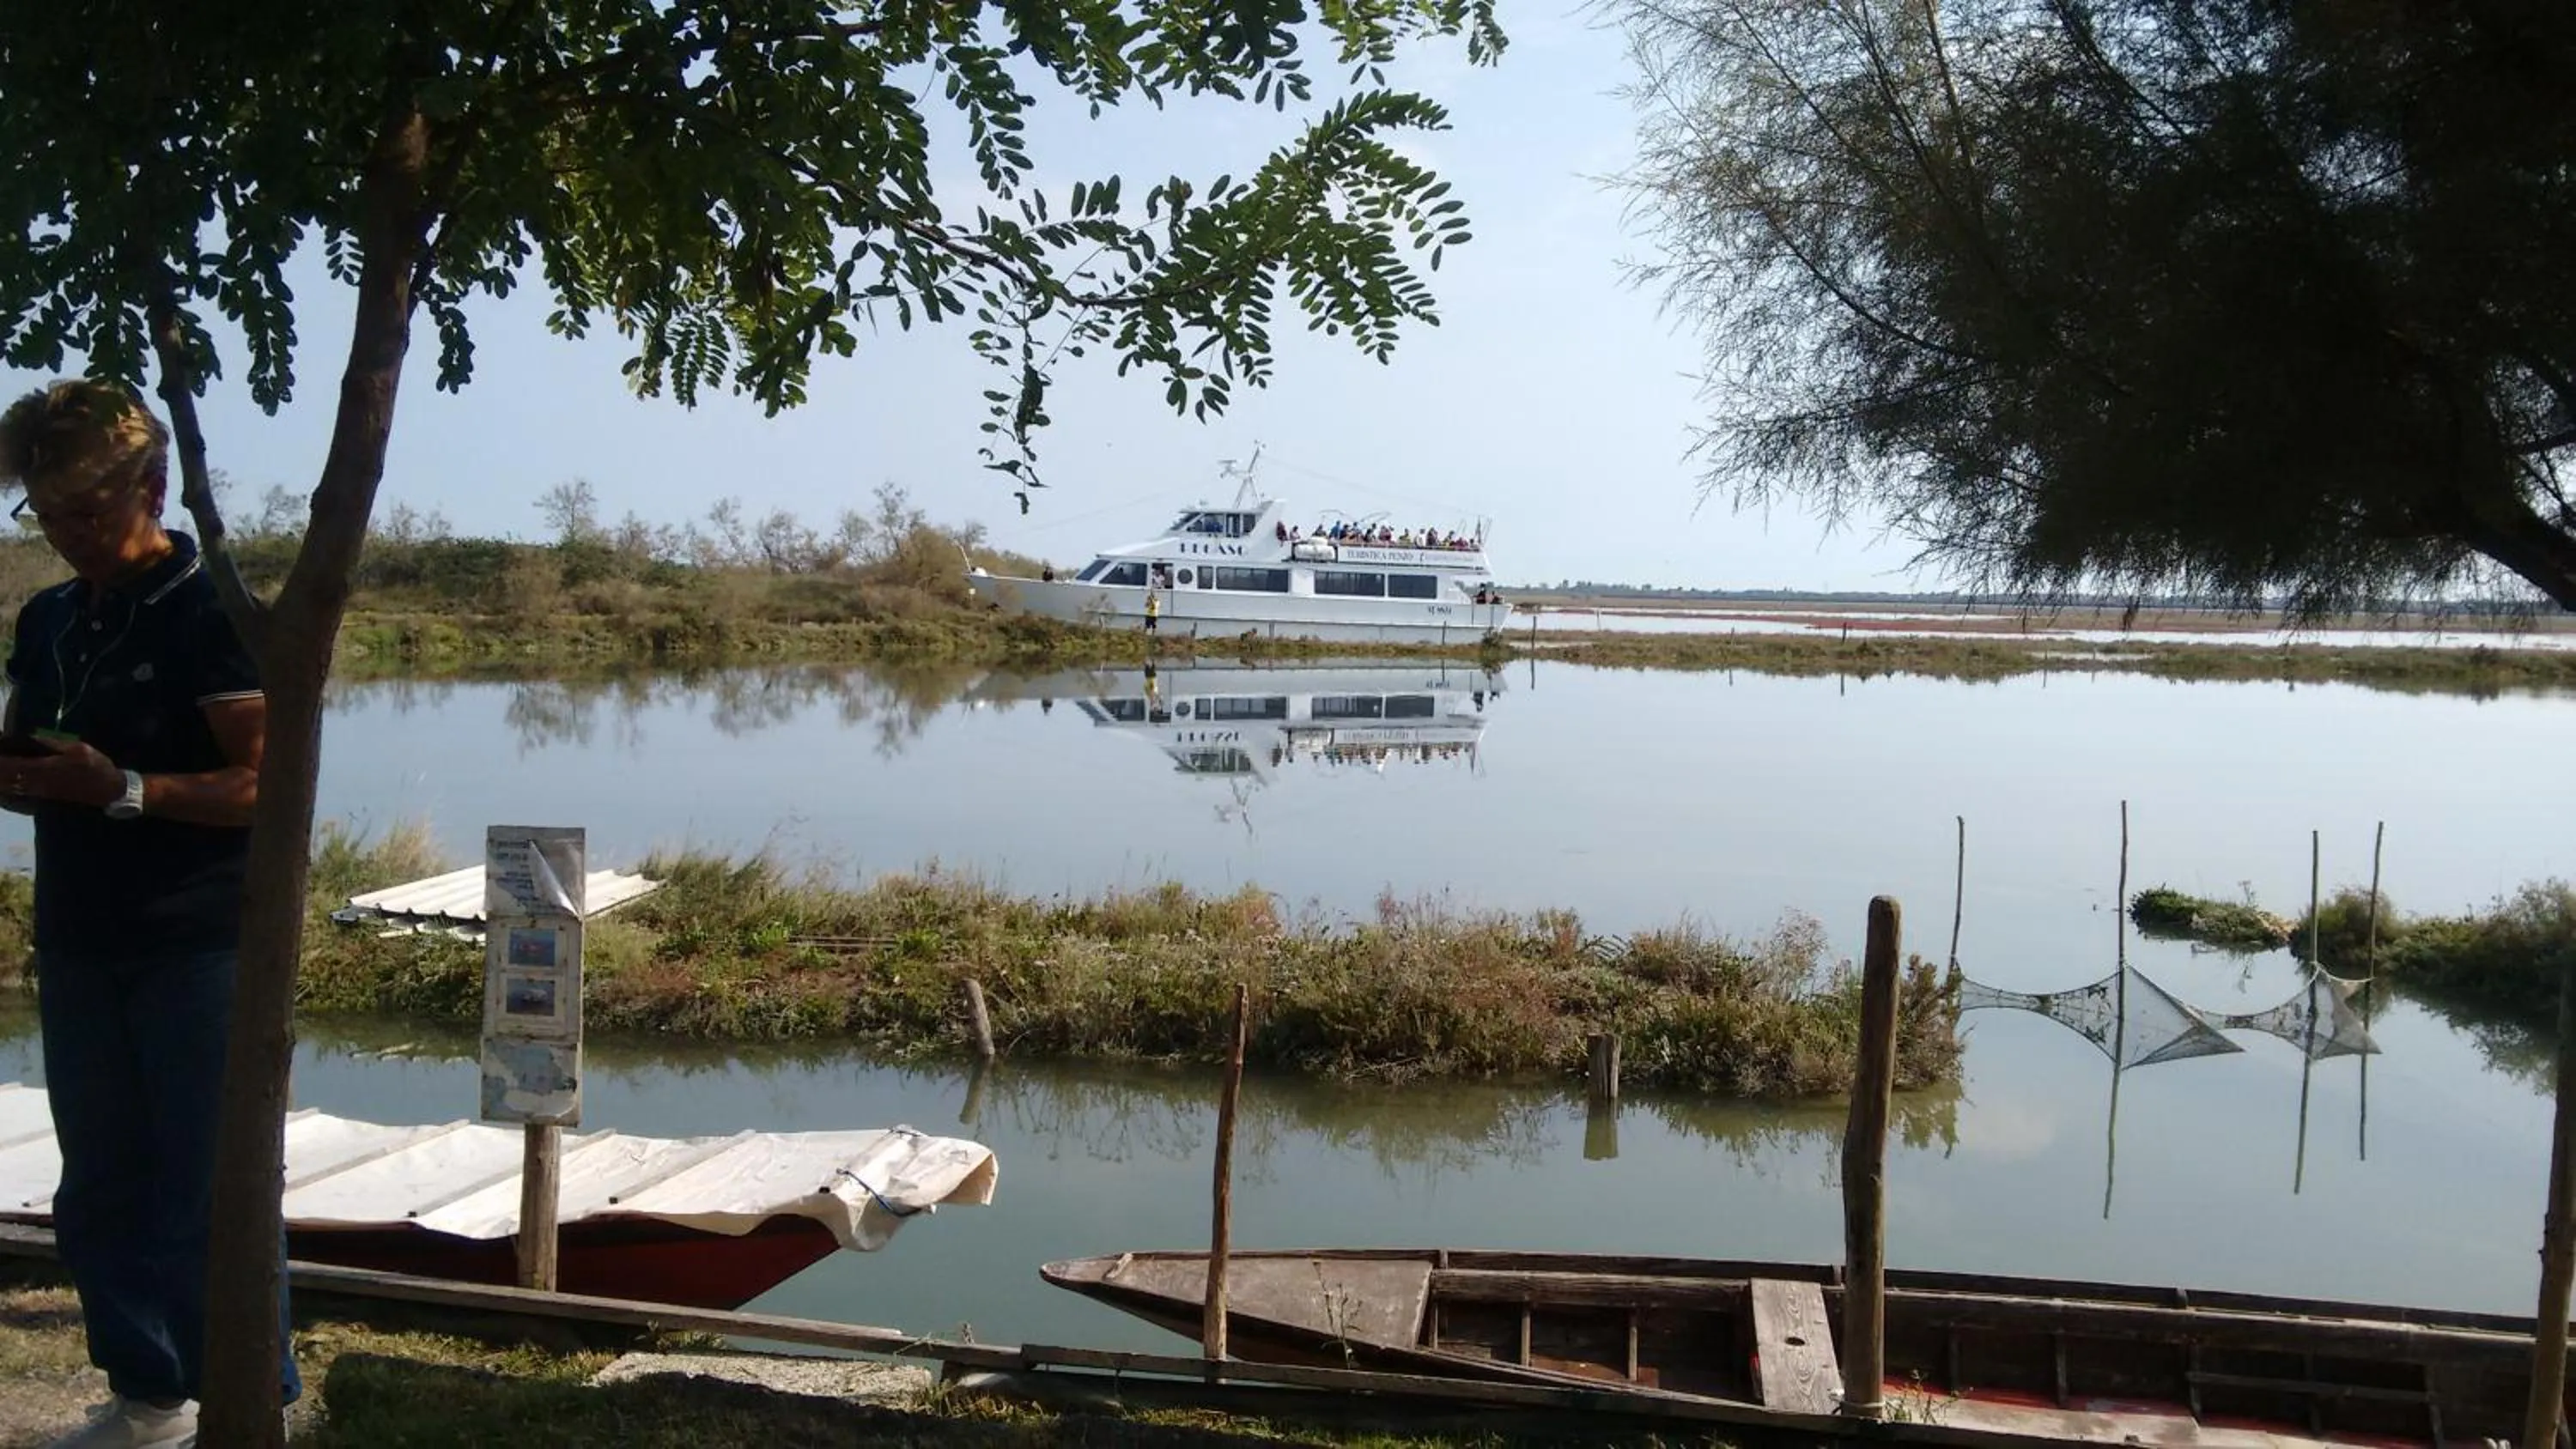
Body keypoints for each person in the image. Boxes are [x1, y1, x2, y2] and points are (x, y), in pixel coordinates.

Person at [0, 379, 300, 1449]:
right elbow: (35, 754)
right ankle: (149, 1401)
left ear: (154, 485)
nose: (73, 534)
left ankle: (246, 1408)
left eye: (91, 509)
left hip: (200, 945)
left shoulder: (212, 608)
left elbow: (270, 784)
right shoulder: (46, 618)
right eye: (51, 514)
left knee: (208, 1197)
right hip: (82, 941)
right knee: (99, 1194)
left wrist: (125, 788)